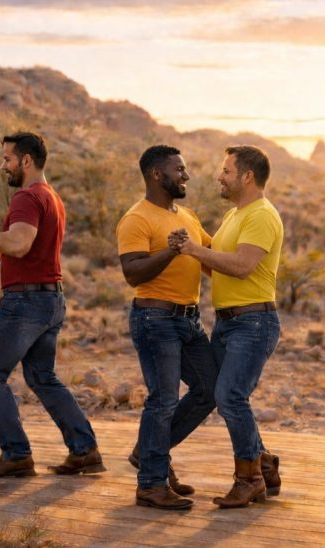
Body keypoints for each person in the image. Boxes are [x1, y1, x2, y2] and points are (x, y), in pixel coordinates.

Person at [0, 132, 104, 477]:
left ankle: (16, 454)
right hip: (50, 300)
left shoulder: (26, 197)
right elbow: (10, 246)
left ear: (26, 160)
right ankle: (85, 451)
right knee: (41, 377)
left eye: (7, 159)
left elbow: (17, 245)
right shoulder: (51, 197)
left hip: (25, 303)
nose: (2, 165)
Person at [173, 145, 283, 508]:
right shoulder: (236, 215)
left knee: (231, 396)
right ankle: (263, 464)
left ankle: (249, 479)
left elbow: (241, 266)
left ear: (247, 176)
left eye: (226, 171)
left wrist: (195, 250)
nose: (219, 177)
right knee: (221, 393)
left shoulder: (261, 215)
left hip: (253, 322)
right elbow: (220, 266)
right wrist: (191, 248)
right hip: (228, 323)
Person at [117, 145, 219, 510]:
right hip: (155, 319)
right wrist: (171, 251)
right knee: (163, 400)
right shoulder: (136, 218)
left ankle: (149, 455)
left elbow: (210, 258)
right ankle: (151, 483)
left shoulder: (188, 216)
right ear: (157, 175)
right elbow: (132, 273)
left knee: (210, 390)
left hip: (189, 320)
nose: (186, 175)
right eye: (179, 170)